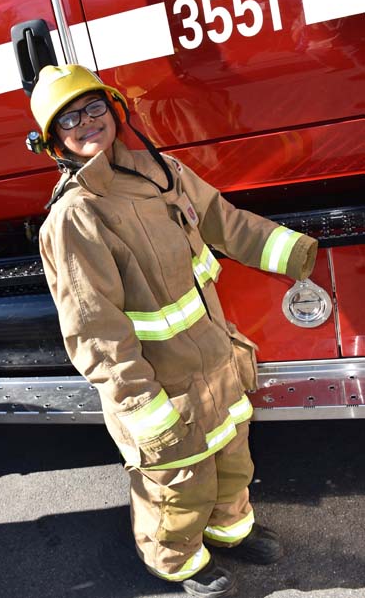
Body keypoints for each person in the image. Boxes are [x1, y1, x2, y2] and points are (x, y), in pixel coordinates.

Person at [28, 64, 317, 597]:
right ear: (53, 142)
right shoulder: (73, 220)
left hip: (213, 361)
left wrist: (291, 249)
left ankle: (230, 532)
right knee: (178, 484)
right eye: (69, 119)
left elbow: (224, 222)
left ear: (113, 111)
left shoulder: (161, 172)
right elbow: (95, 330)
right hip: (159, 385)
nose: (87, 123)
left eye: (94, 108)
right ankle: (176, 561)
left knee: (232, 459)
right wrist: (142, 409)